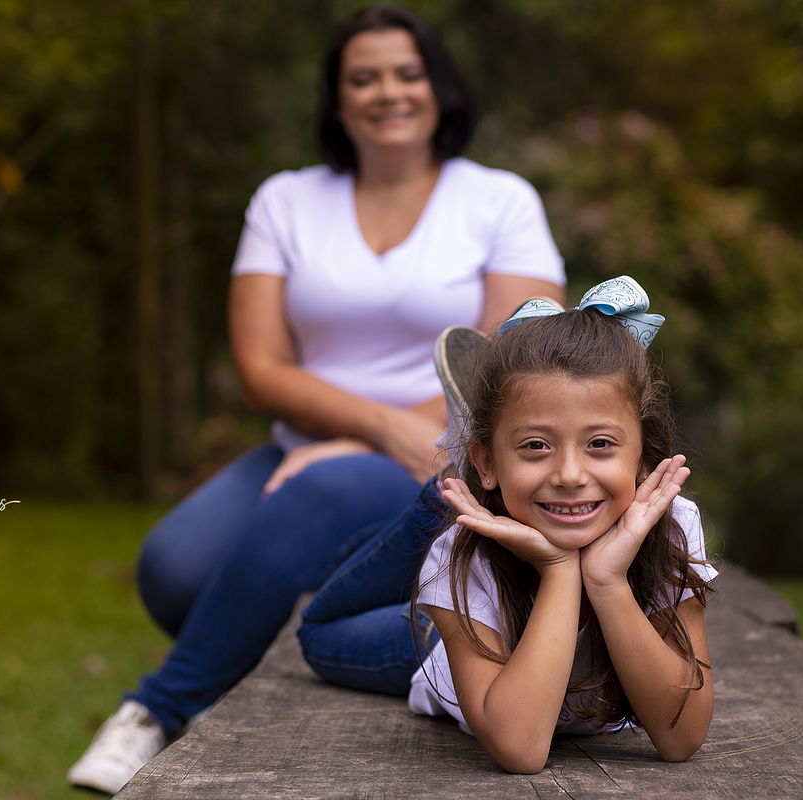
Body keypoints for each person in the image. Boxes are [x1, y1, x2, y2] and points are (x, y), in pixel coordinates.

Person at [67, 3, 566, 794]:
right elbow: (261, 368)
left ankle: (157, 711)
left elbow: (516, 364)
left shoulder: (500, 201)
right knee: (174, 568)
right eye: (361, 78)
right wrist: (364, 429)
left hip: (448, 456)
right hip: (312, 444)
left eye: (407, 73)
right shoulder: (285, 201)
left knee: (323, 489)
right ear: (336, 101)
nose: (387, 91)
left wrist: (381, 447)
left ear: (439, 88)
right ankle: (331, 608)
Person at [298, 277, 718, 773]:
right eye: (536, 445)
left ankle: (463, 476)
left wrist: (606, 581)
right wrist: (561, 571)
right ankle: (448, 487)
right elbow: (520, 749)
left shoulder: (669, 526)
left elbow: (682, 737)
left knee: (478, 520)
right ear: (490, 461)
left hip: (491, 570)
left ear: (644, 458)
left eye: (600, 443)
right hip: (458, 643)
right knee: (319, 631)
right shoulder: (464, 555)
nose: (569, 475)